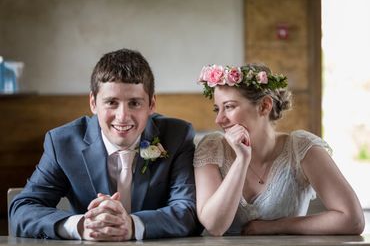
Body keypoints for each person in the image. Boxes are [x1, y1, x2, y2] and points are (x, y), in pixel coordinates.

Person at [9, 48, 202, 241]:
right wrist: (81, 226)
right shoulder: (63, 143)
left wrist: (133, 225)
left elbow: (189, 210)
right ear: (93, 103)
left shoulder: (177, 136)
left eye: (134, 103)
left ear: (151, 104)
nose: (123, 116)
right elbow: (23, 209)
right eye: (111, 102)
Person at [193, 63, 365, 236]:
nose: (219, 119)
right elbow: (215, 226)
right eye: (217, 109)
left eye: (229, 107)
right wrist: (241, 160)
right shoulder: (211, 147)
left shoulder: (302, 148)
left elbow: (353, 220)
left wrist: (274, 226)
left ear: (264, 106)